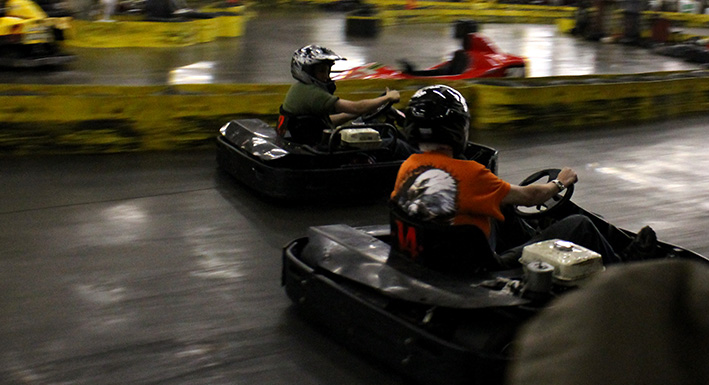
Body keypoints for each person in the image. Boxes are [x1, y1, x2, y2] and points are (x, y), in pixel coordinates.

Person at [390, 84, 648, 266]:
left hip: (435, 255)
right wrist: (560, 182)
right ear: (459, 128)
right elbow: (529, 196)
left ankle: (533, 240)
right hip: (480, 267)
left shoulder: (407, 166)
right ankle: (623, 268)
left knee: (505, 211)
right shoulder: (469, 173)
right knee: (579, 226)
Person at [277, 44, 401, 145]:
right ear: (307, 72)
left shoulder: (299, 88)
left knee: (365, 124)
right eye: (321, 72)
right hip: (319, 150)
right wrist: (387, 97)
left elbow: (320, 123)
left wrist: (349, 116)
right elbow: (357, 107)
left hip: (308, 143)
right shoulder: (313, 93)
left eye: (327, 71)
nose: (326, 77)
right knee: (394, 144)